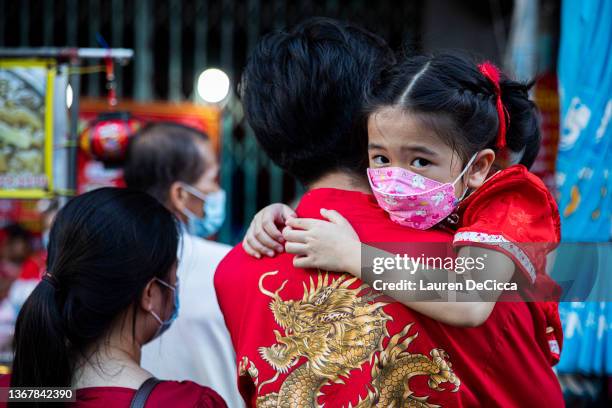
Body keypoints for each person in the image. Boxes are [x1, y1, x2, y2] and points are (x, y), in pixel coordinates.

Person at [215, 18, 564, 407]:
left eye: (419, 161)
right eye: (381, 158)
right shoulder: (460, 260)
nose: (397, 176)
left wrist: (355, 256)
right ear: (366, 127)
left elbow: (468, 299)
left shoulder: (234, 272)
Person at [0, 188, 226, 407]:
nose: (175, 286)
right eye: (174, 276)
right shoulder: (188, 404)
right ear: (150, 293)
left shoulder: (14, 394)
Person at [123, 122, 242, 407]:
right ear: (180, 195)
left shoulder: (108, 259)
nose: (216, 192)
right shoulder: (228, 265)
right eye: (212, 180)